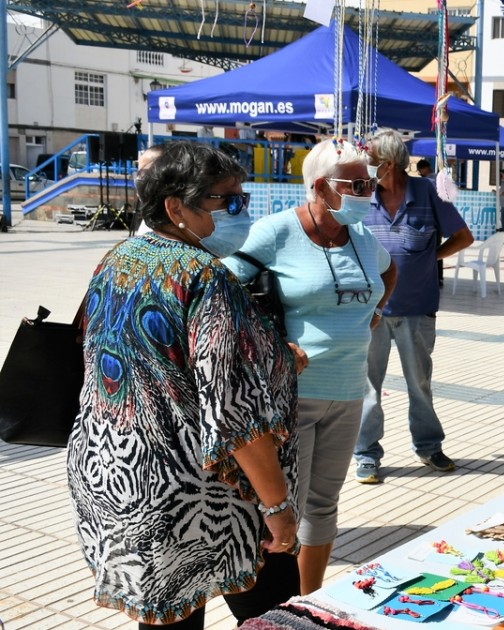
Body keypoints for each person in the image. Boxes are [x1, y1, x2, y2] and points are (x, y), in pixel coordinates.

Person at [68, 141, 301, 629]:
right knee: (276, 615)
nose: (242, 212)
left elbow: (143, 357)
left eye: (244, 200)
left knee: (168, 621)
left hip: (119, 478)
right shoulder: (205, 276)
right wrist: (278, 508)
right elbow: (233, 414)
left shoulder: (119, 258)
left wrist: (274, 362)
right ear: (176, 207)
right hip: (199, 495)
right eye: (228, 201)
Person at [224, 139, 397, 595]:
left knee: (324, 504)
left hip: (347, 391)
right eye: (357, 184)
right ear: (321, 187)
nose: (368, 193)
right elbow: (223, 289)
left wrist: (375, 311)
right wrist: (271, 342)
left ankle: (309, 601)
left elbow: (389, 271)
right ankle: (271, 609)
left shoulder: (361, 236)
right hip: (292, 398)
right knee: (287, 508)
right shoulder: (276, 232)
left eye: (371, 183)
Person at [355, 129, 474, 482]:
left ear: (388, 164)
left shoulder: (428, 192)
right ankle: (366, 453)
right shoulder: (362, 195)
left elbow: (463, 236)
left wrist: (430, 258)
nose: (366, 163)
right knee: (368, 386)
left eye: (371, 157)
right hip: (371, 311)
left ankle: (428, 446)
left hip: (417, 307)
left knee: (419, 382)